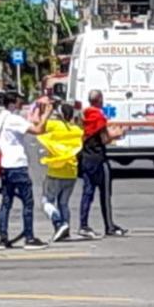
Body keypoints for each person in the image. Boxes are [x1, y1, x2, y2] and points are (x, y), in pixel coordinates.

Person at [0, 92, 52, 250]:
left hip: (5, 165)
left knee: (6, 203)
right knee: (28, 202)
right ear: (12, 103)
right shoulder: (14, 119)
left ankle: (2, 238)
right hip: (17, 164)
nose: (20, 105)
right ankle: (29, 238)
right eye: (18, 102)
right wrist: (46, 114)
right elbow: (38, 130)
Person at [79, 90, 127, 239]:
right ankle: (109, 226)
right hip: (99, 158)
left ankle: (83, 224)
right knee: (105, 194)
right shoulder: (98, 116)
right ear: (99, 100)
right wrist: (118, 133)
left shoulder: (84, 115)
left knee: (87, 193)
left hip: (86, 157)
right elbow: (104, 138)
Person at [37, 103, 83, 242]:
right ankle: (66, 229)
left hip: (56, 171)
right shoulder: (77, 130)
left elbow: (39, 125)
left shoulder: (55, 125)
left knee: (47, 202)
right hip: (72, 172)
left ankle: (59, 223)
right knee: (63, 203)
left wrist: (45, 112)